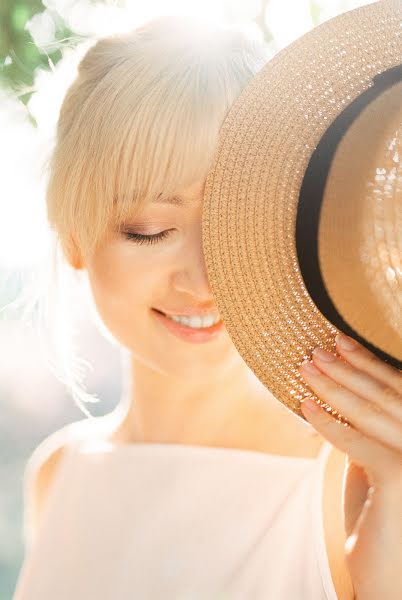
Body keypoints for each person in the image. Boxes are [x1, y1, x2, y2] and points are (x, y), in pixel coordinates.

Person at [12, 15, 357, 600]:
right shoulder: (58, 473)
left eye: (237, 223)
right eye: (149, 229)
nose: (204, 279)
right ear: (73, 237)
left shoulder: (352, 483)